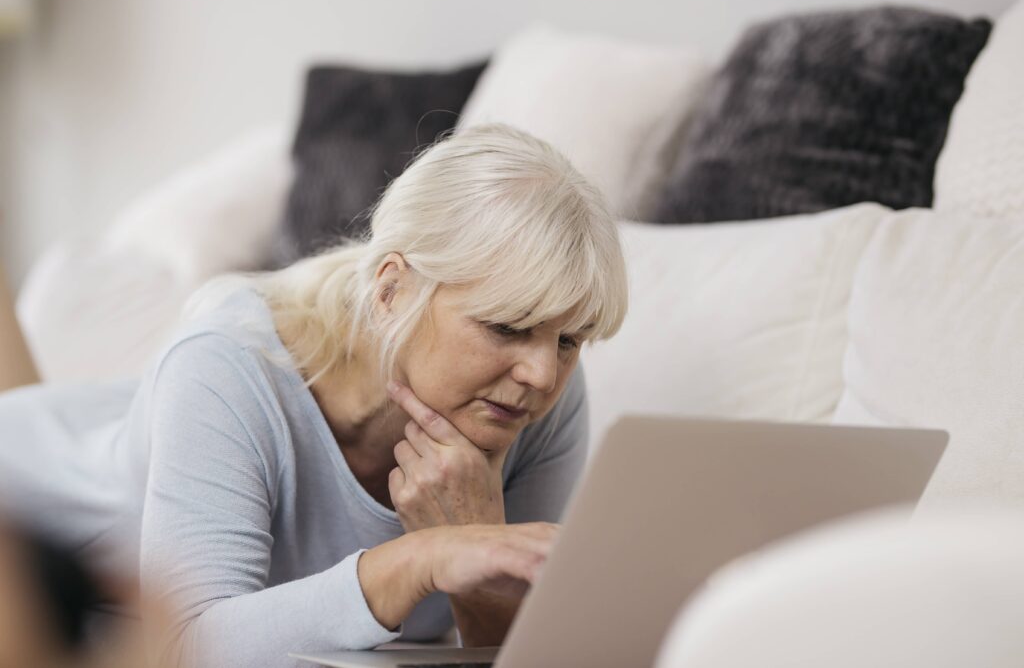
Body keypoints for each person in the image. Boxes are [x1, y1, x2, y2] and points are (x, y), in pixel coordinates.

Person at [0, 123, 629, 667]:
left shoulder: (532, 399)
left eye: (570, 340)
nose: (543, 374)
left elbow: (515, 651)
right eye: (506, 326)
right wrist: (423, 557)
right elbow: (182, 648)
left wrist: (478, 547)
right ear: (391, 291)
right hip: (34, 490)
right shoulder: (228, 361)